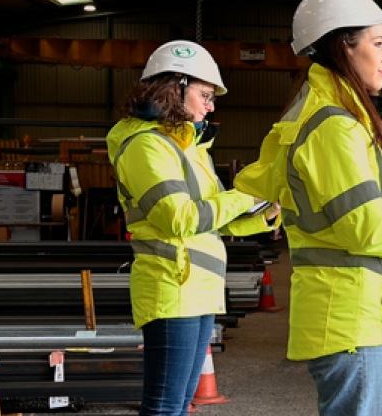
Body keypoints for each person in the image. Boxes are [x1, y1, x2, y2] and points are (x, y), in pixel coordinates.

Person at [232, 0, 382, 416]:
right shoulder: (336, 127)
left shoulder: (334, 118)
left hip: (348, 316)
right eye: (379, 43)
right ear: (343, 46)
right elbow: (367, 230)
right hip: (350, 318)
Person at [108, 40, 278, 416]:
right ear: (174, 88)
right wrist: (243, 197)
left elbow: (213, 218)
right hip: (171, 288)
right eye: (205, 94)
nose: (211, 105)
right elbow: (179, 218)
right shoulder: (144, 146)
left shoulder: (188, 148)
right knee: (165, 406)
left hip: (196, 289)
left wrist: (264, 215)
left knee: (180, 403)